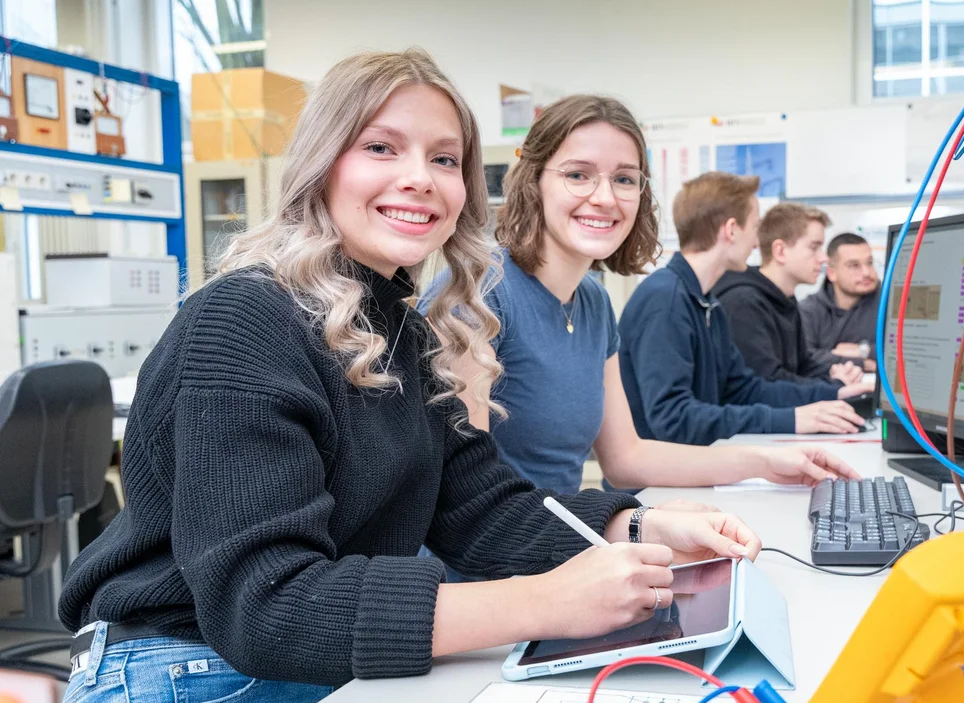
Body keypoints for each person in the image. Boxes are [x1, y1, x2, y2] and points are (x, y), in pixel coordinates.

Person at [57, 50, 764, 701]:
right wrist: (547, 601)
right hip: (181, 666)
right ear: (322, 162)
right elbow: (266, 607)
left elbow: (481, 506)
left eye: (445, 158)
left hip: (308, 663)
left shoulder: (401, 327)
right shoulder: (244, 318)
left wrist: (639, 522)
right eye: (381, 147)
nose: (420, 178)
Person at [422, 95, 861, 496]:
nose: (605, 197)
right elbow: (471, 498)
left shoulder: (592, 302)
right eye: (578, 175)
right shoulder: (477, 297)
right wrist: (629, 529)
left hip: (562, 550)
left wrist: (768, 462)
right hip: (490, 572)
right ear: (533, 181)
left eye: (625, 179)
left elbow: (627, 459)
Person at [617, 172, 876, 447]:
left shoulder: (708, 304)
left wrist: (832, 394)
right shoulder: (666, 301)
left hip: (695, 463)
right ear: (731, 230)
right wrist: (793, 419)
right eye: (754, 227)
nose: (756, 242)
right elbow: (673, 419)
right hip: (655, 483)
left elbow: (745, 389)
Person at [713, 202, 864, 385]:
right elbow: (767, 383)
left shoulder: (786, 299)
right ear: (781, 251)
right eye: (813, 247)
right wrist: (834, 386)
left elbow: (802, 366)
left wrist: (833, 372)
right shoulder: (744, 304)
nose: (824, 258)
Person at [799, 232, 882, 372]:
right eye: (854, 265)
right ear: (832, 273)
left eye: (869, 263)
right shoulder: (809, 309)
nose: (866, 272)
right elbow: (806, 358)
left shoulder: (890, 302)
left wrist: (863, 350)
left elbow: (907, 350)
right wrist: (864, 364)